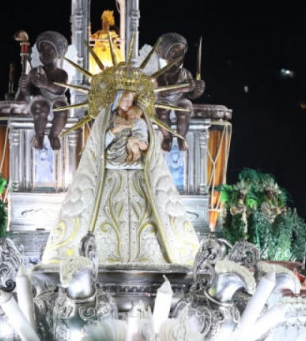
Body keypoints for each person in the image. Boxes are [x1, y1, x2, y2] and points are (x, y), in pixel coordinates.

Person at [41, 87, 198, 268]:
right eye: (124, 100)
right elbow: (98, 145)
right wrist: (113, 131)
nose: (127, 104)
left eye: (130, 101)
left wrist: (141, 144)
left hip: (138, 176)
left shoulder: (139, 118)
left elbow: (148, 143)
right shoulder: (106, 118)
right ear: (117, 100)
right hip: (110, 175)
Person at [15, 31, 70, 150]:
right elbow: (29, 91)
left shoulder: (61, 74)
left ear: (58, 53)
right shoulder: (35, 71)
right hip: (40, 98)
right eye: (42, 51)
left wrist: (47, 84)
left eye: (49, 51)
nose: (45, 54)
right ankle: (39, 135)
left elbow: (61, 88)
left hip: (58, 99)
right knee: (41, 107)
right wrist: (24, 85)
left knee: (62, 110)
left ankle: (54, 135)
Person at [153, 33, 204, 151]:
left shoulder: (185, 73)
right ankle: (167, 137)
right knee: (162, 110)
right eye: (174, 52)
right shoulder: (160, 73)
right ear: (165, 53)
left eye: (181, 53)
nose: (178, 56)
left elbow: (192, 95)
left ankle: (182, 137)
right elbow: (164, 91)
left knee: (185, 108)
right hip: (164, 100)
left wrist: (198, 89)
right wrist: (184, 87)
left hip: (180, 99)